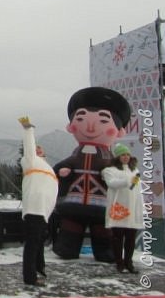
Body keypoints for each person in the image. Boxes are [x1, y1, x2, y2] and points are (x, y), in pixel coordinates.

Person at [53, 87, 131, 263]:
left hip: (102, 203)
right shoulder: (76, 155)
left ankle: (107, 251)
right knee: (71, 227)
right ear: (71, 126)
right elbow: (63, 165)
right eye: (81, 118)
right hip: (75, 201)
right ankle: (66, 248)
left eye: (104, 120)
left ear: (119, 131)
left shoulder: (109, 159)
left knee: (103, 230)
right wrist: (63, 170)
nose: (90, 126)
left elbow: (121, 176)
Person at [18, 117, 58, 287]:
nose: (37, 150)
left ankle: (39, 268)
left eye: (40, 148)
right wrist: (29, 130)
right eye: (36, 148)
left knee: (39, 241)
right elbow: (29, 147)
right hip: (35, 207)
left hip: (43, 210)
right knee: (33, 243)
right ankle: (30, 277)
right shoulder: (30, 161)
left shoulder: (46, 167)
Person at [101, 143, 143, 274]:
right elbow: (111, 184)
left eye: (127, 154)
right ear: (117, 156)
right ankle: (119, 263)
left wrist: (132, 183)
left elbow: (135, 188)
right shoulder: (109, 170)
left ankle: (129, 262)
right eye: (122, 154)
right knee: (118, 237)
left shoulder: (134, 170)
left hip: (133, 208)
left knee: (130, 238)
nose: (125, 157)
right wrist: (127, 181)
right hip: (118, 207)